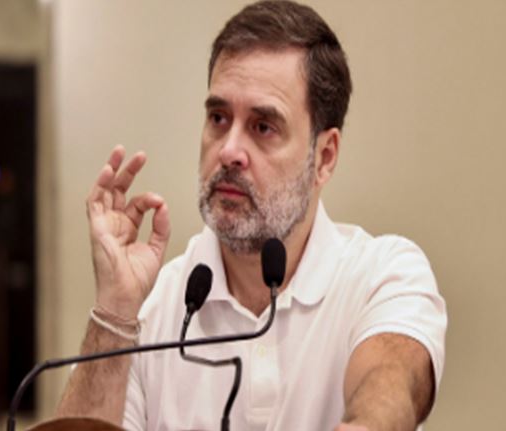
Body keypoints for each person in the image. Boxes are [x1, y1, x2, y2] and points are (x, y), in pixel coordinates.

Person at [56, 1, 447, 430]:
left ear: (324, 157)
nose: (229, 151)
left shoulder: (382, 276)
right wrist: (115, 310)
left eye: (263, 126)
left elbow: (390, 386)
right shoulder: (153, 310)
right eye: (218, 118)